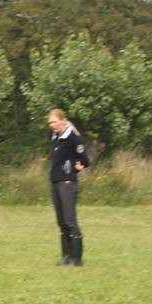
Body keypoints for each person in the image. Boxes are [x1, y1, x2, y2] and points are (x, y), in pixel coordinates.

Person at [47, 109, 90, 266]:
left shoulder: (72, 137)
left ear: (64, 120)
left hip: (67, 182)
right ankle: (66, 256)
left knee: (70, 220)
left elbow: (84, 159)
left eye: (55, 122)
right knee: (61, 221)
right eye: (50, 123)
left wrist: (80, 165)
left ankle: (77, 259)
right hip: (56, 181)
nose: (52, 125)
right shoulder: (56, 138)